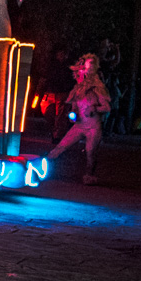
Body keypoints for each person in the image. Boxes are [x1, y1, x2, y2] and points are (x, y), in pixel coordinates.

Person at [48, 53, 112, 184]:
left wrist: (95, 109)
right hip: (80, 125)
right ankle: (45, 168)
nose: (76, 74)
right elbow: (75, 107)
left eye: (80, 71)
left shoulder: (97, 87)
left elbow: (107, 107)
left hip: (93, 126)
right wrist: (73, 115)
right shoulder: (77, 89)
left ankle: (89, 175)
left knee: (90, 152)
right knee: (61, 146)